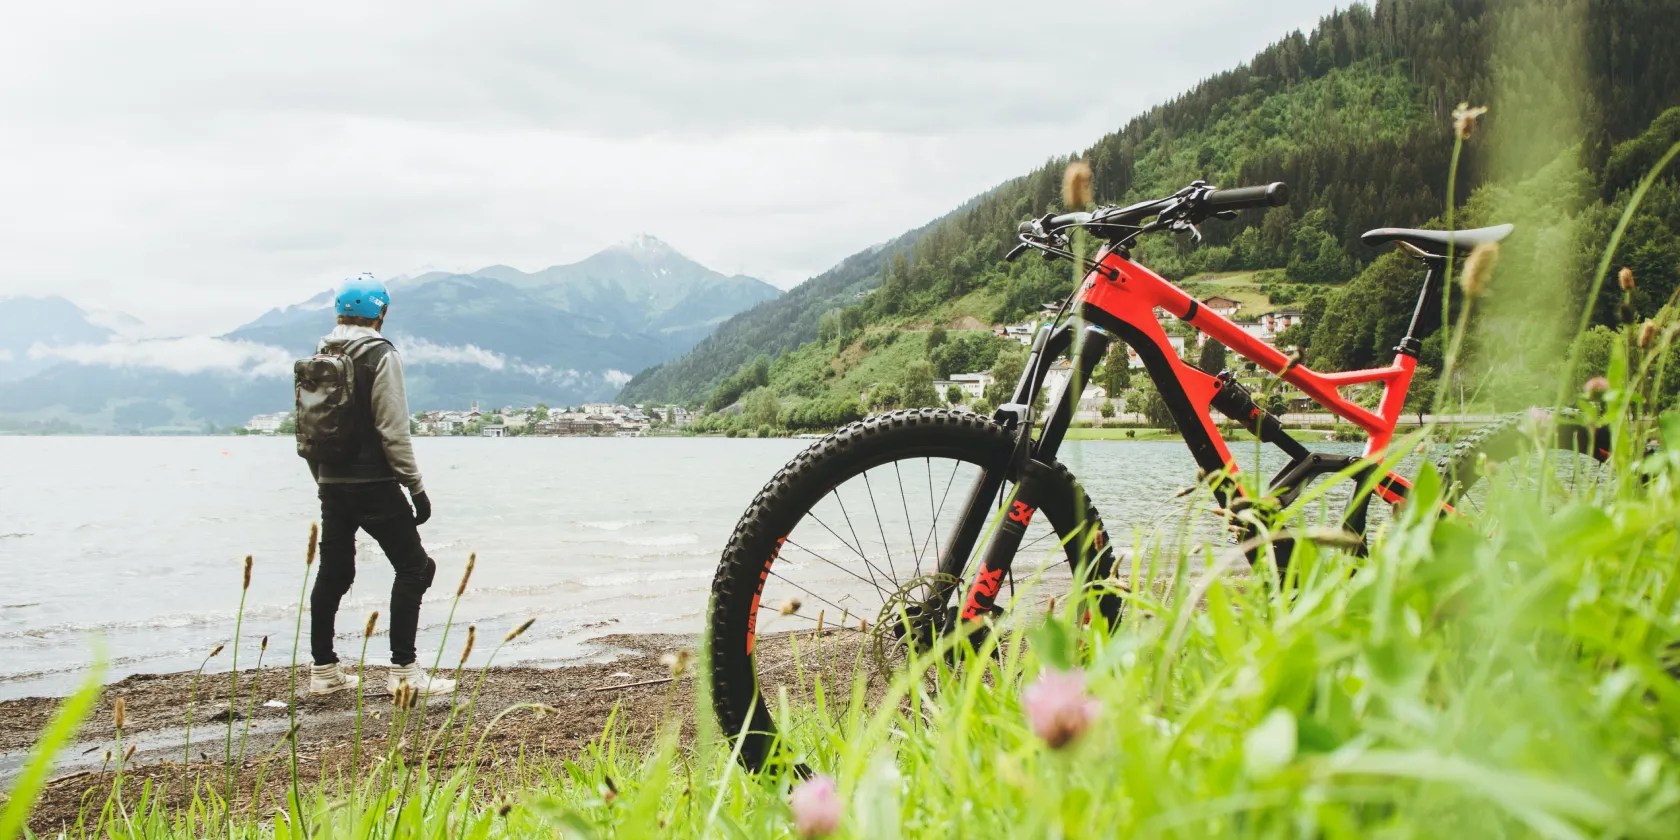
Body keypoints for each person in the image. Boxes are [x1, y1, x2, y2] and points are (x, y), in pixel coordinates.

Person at [305, 274, 455, 698]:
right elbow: (393, 430)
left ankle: (324, 671)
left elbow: (309, 428)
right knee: (416, 568)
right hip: (374, 482)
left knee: (334, 572)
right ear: (381, 313)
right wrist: (416, 487)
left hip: (330, 481)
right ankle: (404, 670)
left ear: (339, 312)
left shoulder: (319, 354)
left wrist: (322, 480)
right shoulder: (379, 354)